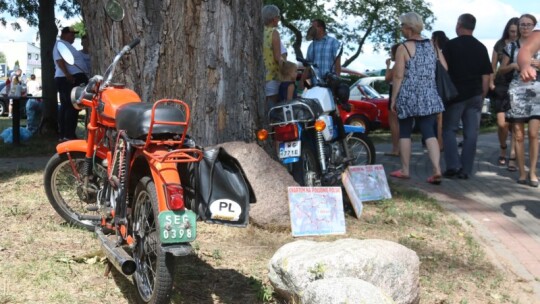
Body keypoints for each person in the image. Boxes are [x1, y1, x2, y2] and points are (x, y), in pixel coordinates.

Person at [389, 12, 445, 185]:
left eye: (402, 26)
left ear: (409, 27)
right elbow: (444, 67)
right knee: (429, 130)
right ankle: (436, 169)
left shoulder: (403, 48)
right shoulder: (432, 45)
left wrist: (394, 99)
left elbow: (398, 76)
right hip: (429, 93)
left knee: (405, 130)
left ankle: (405, 170)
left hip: (409, 94)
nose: (401, 29)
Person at [442, 14, 492, 180]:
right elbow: (486, 76)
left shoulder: (450, 46)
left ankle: (453, 166)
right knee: (471, 134)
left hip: (455, 96)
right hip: (475, 95)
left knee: (449, 130)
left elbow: (443, 70)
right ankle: (466, 170)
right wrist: (482, 95)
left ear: (459, 25)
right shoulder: (481, 47)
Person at [502, 14, 540, 187]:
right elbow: (499, 71)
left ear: (534, 26)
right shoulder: (511, 47)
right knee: (518, 134)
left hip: (537, 92)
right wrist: (513, 66)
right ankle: (522, 173)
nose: (525, 27)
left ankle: (532, 172)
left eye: (528, 24)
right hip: (517, 91)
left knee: (533, 133)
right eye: (522, 24)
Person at [490, 17, 519, 170]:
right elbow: (493, 65)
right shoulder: (500, 44)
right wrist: (490, 82)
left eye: (516, 31)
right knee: (502, 124)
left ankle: (513, 156)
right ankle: (503, 148)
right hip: (501, 85)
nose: (514, 34)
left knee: (516, 124)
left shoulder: (523, 45)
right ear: (507, 30)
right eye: (511, 31)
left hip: (518, 85)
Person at [53, 26, 89, 142]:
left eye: (74, 35)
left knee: (67, 106)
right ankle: (68, 134)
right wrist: (68, 74)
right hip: (68, 78)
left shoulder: (68, 46)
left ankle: (65, 134)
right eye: (71, 34)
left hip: (70, 77)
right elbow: (60, 60)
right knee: (71, 106)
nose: (73, 37)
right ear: (63, 34)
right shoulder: (60, 44)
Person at [299, 19, 341, 90]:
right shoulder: (311, 46)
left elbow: (337, 63)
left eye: (313, 27)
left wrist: (337, 82)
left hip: (330, 86)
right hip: (314, 86)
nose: (311, 29)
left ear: (321, 28)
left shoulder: (333, 42)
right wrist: (302, 81)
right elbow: (308, 66)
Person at [262, 5, 283, 116]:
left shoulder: (258, 32)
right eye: (278, 17)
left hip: (259, 75)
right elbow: (277, 57)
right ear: (274, 18)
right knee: (272, 110)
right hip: (272, 76)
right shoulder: (273, 33)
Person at [431, 31, 449, 151]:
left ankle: (440, 143)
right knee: (441, 117)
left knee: (439, 118)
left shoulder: (437, 53)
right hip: (446, 87)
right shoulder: (448, 51)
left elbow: (444, 68)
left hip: (437, 87)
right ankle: (441, 142)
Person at [384, 44, 400, 157]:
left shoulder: (397, 64)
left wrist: (388, 66)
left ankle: (396, 148)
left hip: (395, 90)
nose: (391, 54)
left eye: (391, 52)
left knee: (393, 122)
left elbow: (387, 78)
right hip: (403, 91)